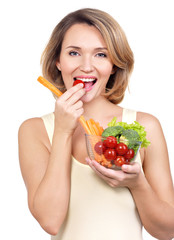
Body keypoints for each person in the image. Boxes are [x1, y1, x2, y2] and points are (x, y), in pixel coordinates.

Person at [18, 8, 174, 240]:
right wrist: (62, 131)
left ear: (114, 65)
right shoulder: (35, 130)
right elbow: (50, 221)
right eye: (74, 53)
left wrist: (137, 184)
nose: (87, 66)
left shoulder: (144, 126)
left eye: (100, 55)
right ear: (57, 61)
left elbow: (167, 231)